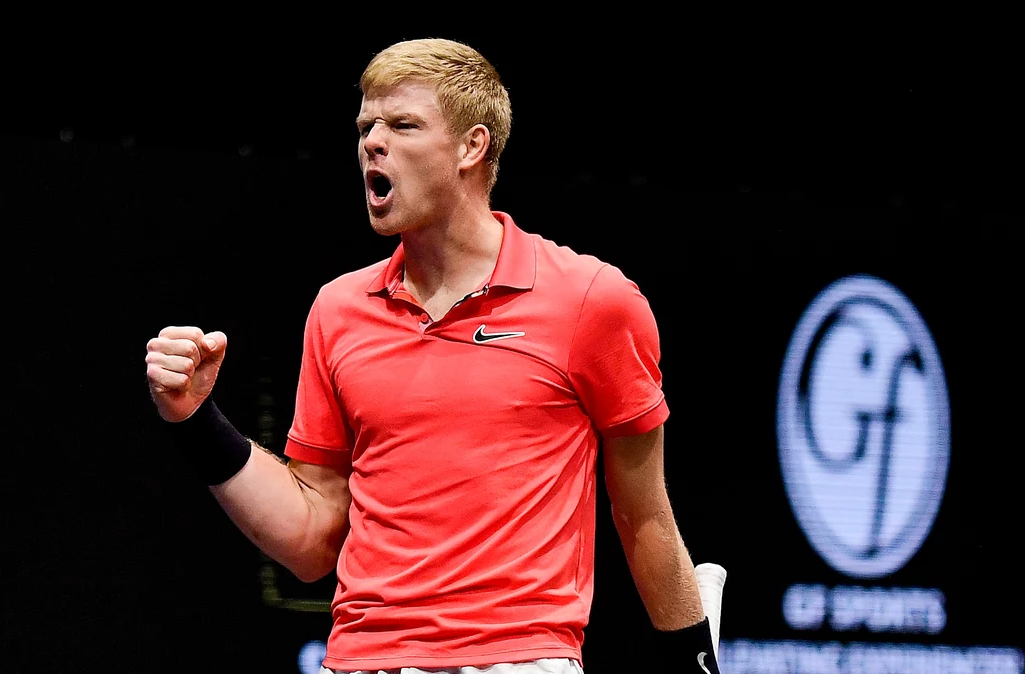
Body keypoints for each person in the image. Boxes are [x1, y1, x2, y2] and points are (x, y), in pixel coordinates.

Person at [144, 38, 720, 674]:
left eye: (403, 124)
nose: (372, 141)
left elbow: (644, 515)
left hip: (517, 660)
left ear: (472, 148)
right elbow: (311, 542)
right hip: (359, 661)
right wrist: (197, 421)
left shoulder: (593, 301)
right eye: (366, 126)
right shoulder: (338, 310)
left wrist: (694, 661)